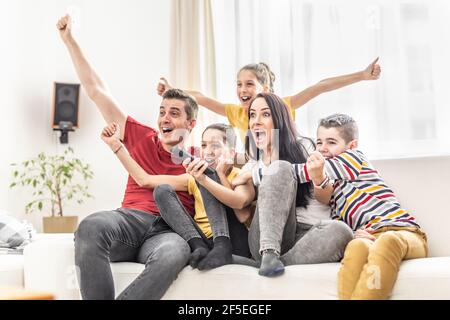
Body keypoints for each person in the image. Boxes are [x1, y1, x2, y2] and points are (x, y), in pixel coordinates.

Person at [57, 15, 200, 300]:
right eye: (162, 111)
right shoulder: (139, 135)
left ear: (191, 123)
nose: (165, 118)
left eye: (174, 113)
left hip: (168, 230)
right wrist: (70, 41)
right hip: (129, 220)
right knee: (91, 225)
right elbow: (96, 91)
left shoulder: (198, 158)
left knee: (175, 252)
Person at [252, 113, 428, 299]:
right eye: (319, 143)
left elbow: (302, 172)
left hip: (402, 230)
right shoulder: (333, 190)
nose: (323, 149)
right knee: (355, 247)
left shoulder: (353, 158)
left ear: (351, 145)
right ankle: (272, 260)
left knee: (387, 241)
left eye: (331, 142)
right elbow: (327, 203)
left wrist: (250, 175)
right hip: (368, 237)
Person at [184, 93, 354, 277]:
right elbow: (241, 212)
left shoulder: (305, 146)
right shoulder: (252, 165)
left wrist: (319, 176)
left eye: (265, 114)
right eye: (252, 115)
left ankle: (271, 264)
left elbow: (327, 197)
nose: (256, 121)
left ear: (279, 119)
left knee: (342, 231)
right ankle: (269, 255)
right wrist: (216, 175)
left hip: (309, 233)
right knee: (279, 167)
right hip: (266, 240)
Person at [100, 122, 253, 270]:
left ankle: (224, 249)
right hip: (205, 241)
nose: (208, 152)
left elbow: (241, 212)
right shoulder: (194, 178)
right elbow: (144, 180)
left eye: (216, 145)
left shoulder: (240, 177)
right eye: (204, 145)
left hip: (233, 241)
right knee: (162, 191)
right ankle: (197, 245)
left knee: (208, 177)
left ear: (231, 152)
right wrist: (116, 146)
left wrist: (217, 174)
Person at [157, 60, 381, 144]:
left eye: (249, 84)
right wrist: (172, 90)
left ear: (265, 89)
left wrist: (361, 75)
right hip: (255, 166)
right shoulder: (236, 112)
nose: (242, 90)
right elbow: (202, 97)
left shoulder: (283, 105)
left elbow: (320, 86)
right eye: (239, 84)